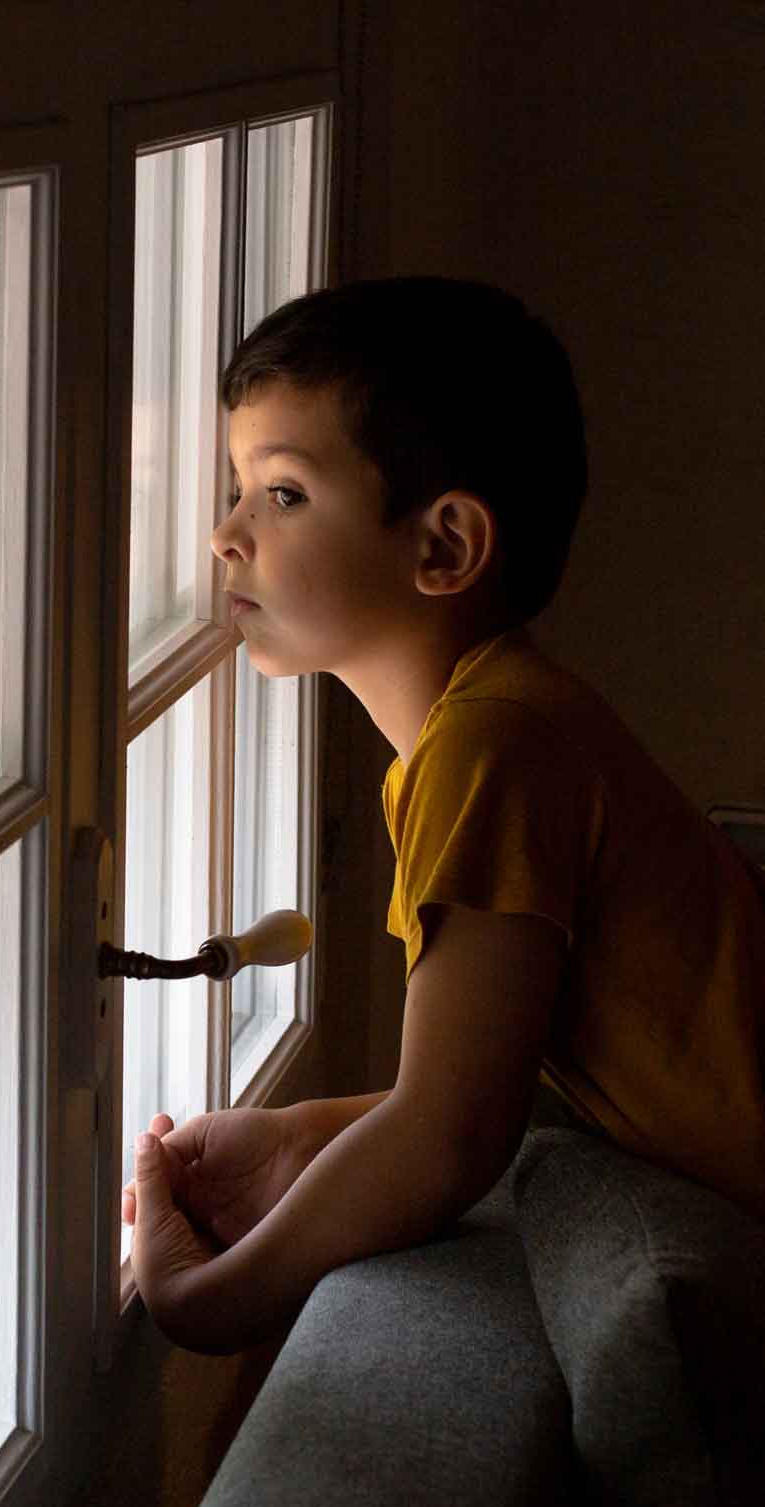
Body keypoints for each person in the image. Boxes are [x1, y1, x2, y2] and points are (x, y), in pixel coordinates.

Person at [124, 277, 765, 1355]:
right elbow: (474, 1089)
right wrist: (290, 1142)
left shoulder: (490, 746)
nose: (227, 535)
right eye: (238, 489)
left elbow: (452, 1131)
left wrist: (218, 1298)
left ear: (444, 547)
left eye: (280, 494)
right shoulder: (475, 735)